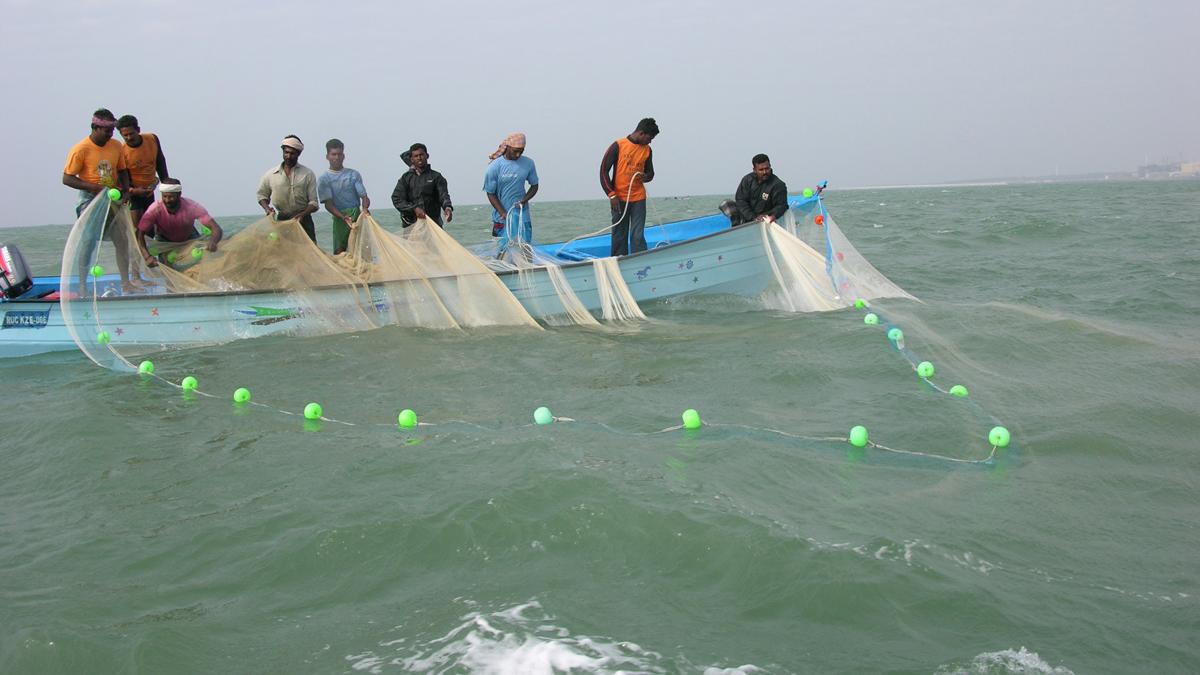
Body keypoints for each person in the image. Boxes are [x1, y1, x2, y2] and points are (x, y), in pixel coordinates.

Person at [62, 108, 135, 290]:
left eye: (112, 131)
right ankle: (82, 285)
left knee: (122, 239)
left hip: (113, 197)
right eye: (106, 131)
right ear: (95, 127)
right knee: (88, 241)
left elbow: (122, 169)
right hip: (90, 199)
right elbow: (67, 178)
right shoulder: (80, 149)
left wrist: (126, 190)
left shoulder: (116, 146)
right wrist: (95, 188)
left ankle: (126, 282)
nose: (110, 135)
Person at [599, 117, 658, 256]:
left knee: (637, 235)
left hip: (638, 197)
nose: (650, 141)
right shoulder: (618, 145)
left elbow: (651, 173)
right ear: (641, 133)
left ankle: (641, 263)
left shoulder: (648, 150)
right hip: (619, 198)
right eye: (650, 138)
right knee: (619, 234)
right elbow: (603, 171)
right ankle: (619, 263)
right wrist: (611, 194)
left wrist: (646, 177)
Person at [135, 180, 224, 267]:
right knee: (168, 268)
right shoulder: (154, 210)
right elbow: (139, 234)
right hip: (165, 241)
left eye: (171, 197)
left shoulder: (191, 207)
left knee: (198, 265)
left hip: (189, 237)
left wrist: (213, 242)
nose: (167, 200)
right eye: (164, 196)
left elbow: (216, 228)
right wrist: (147, 256)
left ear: (179, 194)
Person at [256, 135, 319, 242]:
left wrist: (302, 215)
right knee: (283, 254)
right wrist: (267, 209)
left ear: (299, 154)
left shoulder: (307, 174)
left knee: (308, 255)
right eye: (286, 152)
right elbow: (262, 195)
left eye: (292, 153)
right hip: (282, 220)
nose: (288, 156)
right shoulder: (271, 174)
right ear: (283, 151)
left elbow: (314, 203)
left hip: (304, 220)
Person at [483, 133, 539, 248]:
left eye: (521, 151)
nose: (518, 154)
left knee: (526, 249)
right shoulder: (494, 167)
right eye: (515, 151)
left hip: (522, 217)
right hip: (501, 219)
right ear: (507, 147)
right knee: (501, 252)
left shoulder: (528, 163)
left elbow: (534, 186)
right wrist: (503, 213)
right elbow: (490, 193)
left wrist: (524, 200)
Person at [116, 114, 170, 230]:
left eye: (132, 133)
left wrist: (166, 183)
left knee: (151, 227)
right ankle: (138, 247)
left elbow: (160, 161)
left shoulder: (152, 139)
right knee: (138, 228)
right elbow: (120, 178)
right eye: (125, 135)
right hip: (133, 193)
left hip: (149, 190)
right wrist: (133, 191)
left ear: (138, 130)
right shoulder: (121, 151)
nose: (129, 137)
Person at [318, 139, 370, 254]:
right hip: (339, 218)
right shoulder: (324, 179)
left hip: (357, 216)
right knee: (340, 251)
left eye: (339, 154)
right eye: (333, 154)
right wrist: (343, 217)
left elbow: (364, 196)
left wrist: (365, 209)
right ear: (327, 156)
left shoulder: (353, 174)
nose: (336, 157)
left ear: (343, 156)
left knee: (361, 251)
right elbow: (329, 205)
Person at [391, 143, 452, 227]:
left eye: (421, 155)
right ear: (411, 159)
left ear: (427, 155)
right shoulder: (406, 178)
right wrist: (414, 209)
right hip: (411, 225)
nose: (419, 158)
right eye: (416, 156)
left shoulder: (436, 177)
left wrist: (447, 208)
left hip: (433, 225)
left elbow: (443, 195)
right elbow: (396, 198)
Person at [721, 154, 789, 227]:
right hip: (750, 215)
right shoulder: (747, 180)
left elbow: (782, 205)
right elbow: (741, 200)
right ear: (754, 170)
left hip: (765, 217)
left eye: (767, 168)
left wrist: (773, 216)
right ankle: (737, 226)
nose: (765, 172)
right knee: (726, 204)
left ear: (770, 167)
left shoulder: (778, 185)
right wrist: (753, 217)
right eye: (761, 170)